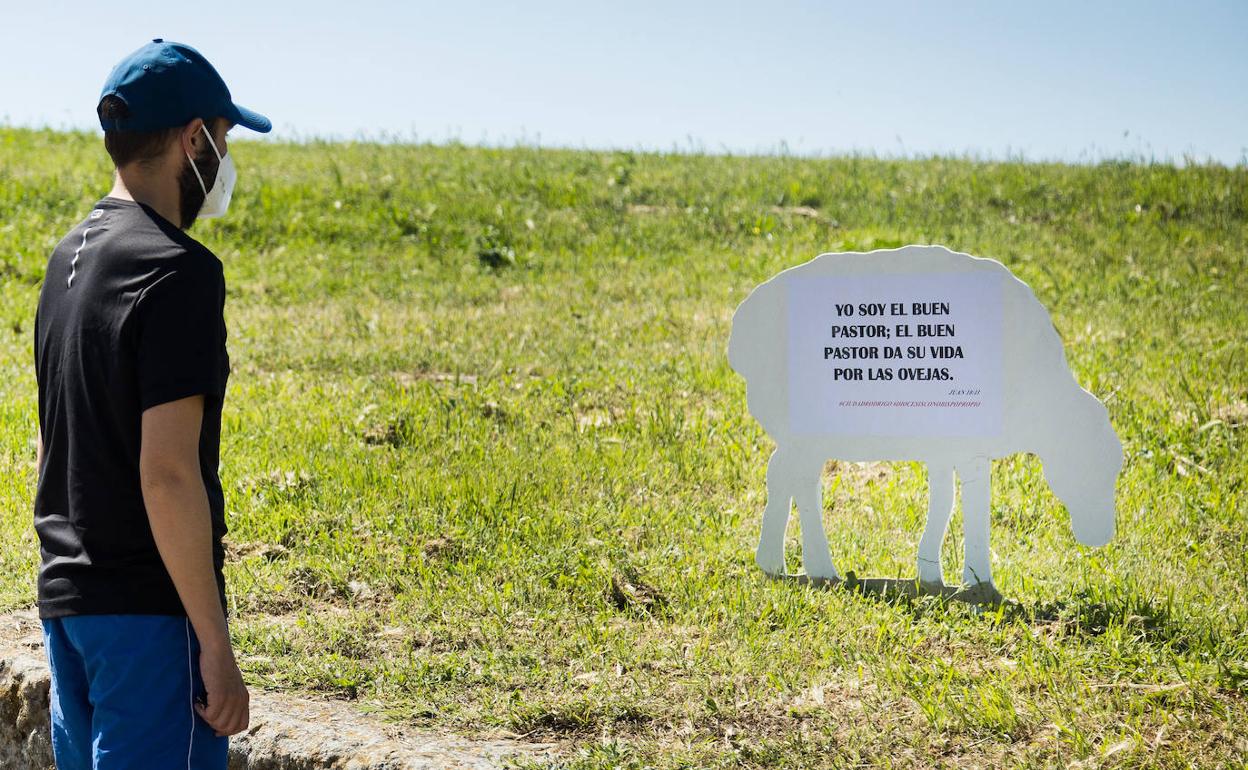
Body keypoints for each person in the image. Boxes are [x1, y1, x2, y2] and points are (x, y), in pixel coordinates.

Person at [32, 39, 270, 768]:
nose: (224, 161)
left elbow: (51, 446)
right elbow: (167, 474)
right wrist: (214, 644)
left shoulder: (66, 260)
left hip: (69, 608)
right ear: (194, 139)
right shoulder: (179, 273)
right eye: (224, 140)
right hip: (149, 620)